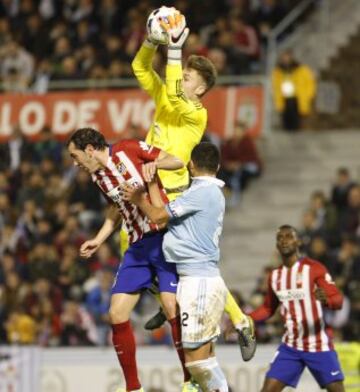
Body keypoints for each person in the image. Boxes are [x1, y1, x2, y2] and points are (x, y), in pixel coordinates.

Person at [132, 9, 255, 361]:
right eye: (181, 74)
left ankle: (239, 318)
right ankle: (164, 297)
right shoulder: (167, 98)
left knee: (191, 264)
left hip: (172, 188)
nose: (181, 78)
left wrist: (173, 51)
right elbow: (141, 69)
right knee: (135, 242)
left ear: (199, 88)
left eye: (186, 76)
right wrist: (150, 43)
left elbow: (172, 96)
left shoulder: (195, 113)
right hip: (152, 183)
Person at [66, 127, 187, 392]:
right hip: (137, 245)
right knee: (116, 313)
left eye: (75, 156)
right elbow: (116, 207)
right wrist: (99, 238)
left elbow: (177, 160)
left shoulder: (129, 149)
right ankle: (133, 388)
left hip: (163, 237)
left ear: (89, 150)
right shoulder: (99, 177)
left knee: (171, 306)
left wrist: (154, 165)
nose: (75, 163)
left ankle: (191, 380)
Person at [122, 142, 230, 392]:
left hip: (199, 281)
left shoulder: (201, 193)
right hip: (196, 279)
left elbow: (157, 217)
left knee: (198, 363)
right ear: (218, 166)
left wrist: (138, 199)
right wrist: (151, 183)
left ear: (191, 165)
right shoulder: (203, 193)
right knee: (203, 360)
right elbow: (163, 215)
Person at [250, 225, 345, 392]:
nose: (284, 240)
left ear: (298, 241)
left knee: (337, 389)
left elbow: (338, 300)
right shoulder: (275, 276)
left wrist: (327, 300)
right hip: (291, 346)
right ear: (277, 245)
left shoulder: (314, 268)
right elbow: (267, 308)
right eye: (280, 238)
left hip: (318, 344)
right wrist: (246, 318)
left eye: (289, 236)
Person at [272, 50, 316, 131]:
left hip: (297, 97)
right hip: (284, 97)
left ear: (291, 57)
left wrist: (309, 95)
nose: (285, 59)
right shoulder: (278, 71)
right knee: (286, 121)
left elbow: (310, 83)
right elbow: (275, 85)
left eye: (287, 57)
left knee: (298, 121)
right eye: (283, 57)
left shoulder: (302, 69)